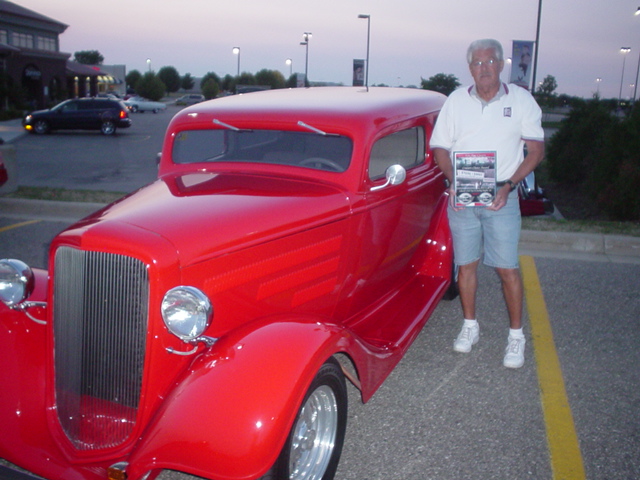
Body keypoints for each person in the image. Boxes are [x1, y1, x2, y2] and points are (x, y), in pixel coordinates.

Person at [430, 38, 545, 368]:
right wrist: (453, 180)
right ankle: (470, 327)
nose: (484, 68)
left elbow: (536, 151)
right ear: (470, 68)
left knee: (507, 268)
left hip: (502, 195)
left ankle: (516, 336)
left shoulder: (521, 101)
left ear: (501, 64)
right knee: (465, 265)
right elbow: (440, 148)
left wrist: (510, 186)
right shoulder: (455, 102)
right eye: (477, 63)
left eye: (490, 62)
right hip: (463, 194)